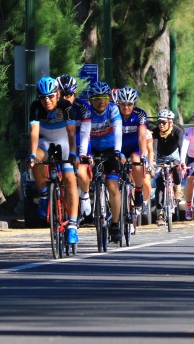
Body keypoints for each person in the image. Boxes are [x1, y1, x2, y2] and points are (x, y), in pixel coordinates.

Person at [26, 76, 80, 244]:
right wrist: (32, 155)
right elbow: (34, 132)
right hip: (45, 141)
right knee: (36, 159)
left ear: (57, 94)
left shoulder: (66, 106)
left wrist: (73, 153)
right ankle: (43, 194)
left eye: (50, 96)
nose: (46, 101)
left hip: (64, 142)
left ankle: (72, 225)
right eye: (43, 97)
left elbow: (71, 133)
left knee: (70, 178)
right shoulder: (35, 107)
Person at [76, 81, 124, 243]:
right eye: (97, 98)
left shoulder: (113, 109)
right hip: (93, 150)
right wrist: (83, 154)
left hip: (111, 149)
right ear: (90, 100)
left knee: (112, 186)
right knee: (82, 174)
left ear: (109, 99)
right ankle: (85, 200)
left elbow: (118, 131)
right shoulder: (87, 111)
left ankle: (115, 224)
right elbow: (84, 133)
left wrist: (117, 151)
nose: (101, 102)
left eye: (104, 98)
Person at [56, 74, 92, 221]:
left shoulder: (83, 108)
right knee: (58, 175)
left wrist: (82, 155)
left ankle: (84, 195)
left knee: (82, 173)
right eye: (61, 94)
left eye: (68, 94)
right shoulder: (53, 108)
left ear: (75, 94)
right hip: (61, 144)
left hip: (79, 143)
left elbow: (84, 134)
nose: (65, 98)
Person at [116, 87, 150, 231]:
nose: (126, 107)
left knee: (136, 160)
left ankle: (138, 190)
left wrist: (143, 155)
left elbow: (142, 136)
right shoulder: (113, 112)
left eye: (129, 104)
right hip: (117, 148)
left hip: (134, 148)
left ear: (134, 104)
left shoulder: (140, 114)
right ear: (118, 103)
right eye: (123, 104)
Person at [151, 109, 184, 207]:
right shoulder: (156, 131)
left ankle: (177, 189)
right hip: (160, 157)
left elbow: (181, 147)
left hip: (173, 155)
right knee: (159, 181)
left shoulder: (177, 131)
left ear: (170, 122)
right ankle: (160, 212)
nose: (161, 125)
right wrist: (153, 162)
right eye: (159, 122)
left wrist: (182, 162)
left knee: (176, 166)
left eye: (164, 122)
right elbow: (154, 148)